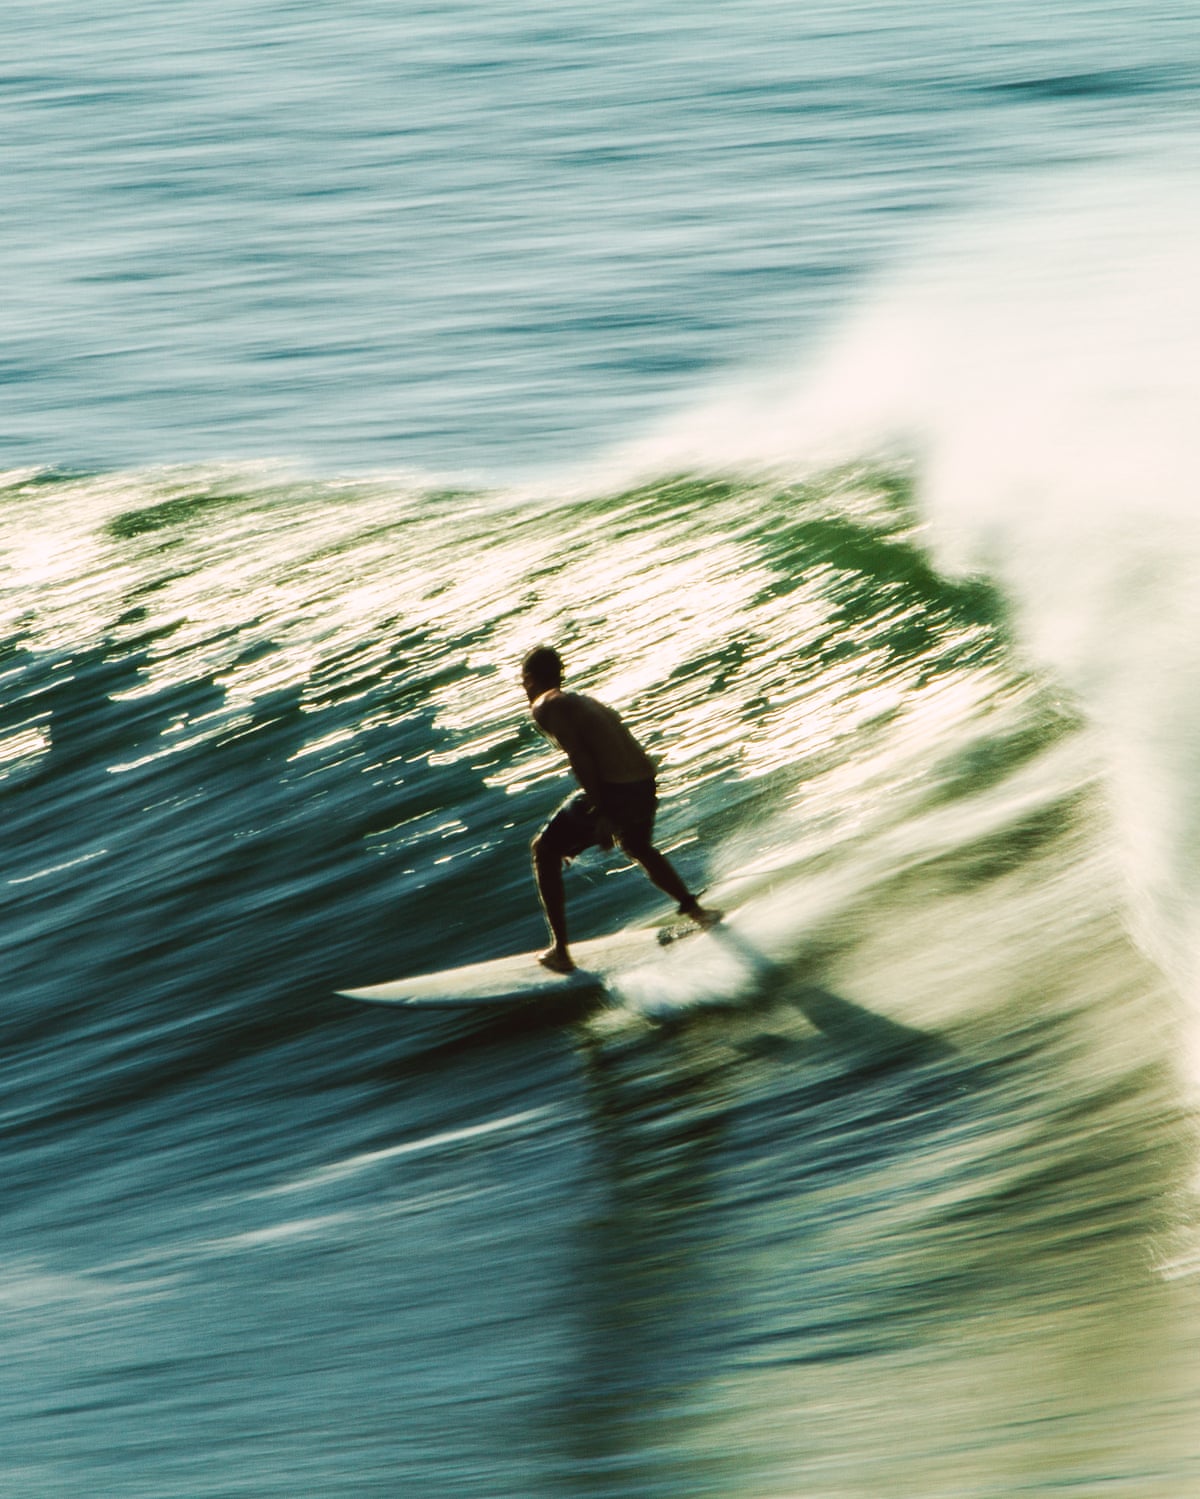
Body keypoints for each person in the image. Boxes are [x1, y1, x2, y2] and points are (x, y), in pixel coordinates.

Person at [521, 645, 720, 973]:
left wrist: (603, 814)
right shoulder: (582, 701)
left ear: (529, 678)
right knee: (636, 845)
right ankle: (699, 913)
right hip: (644, 783)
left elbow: (581, 759)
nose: (523, 690)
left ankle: (560, 952)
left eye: (523, 681)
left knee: (543, 850)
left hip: (618, 792)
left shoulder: (545, 705)